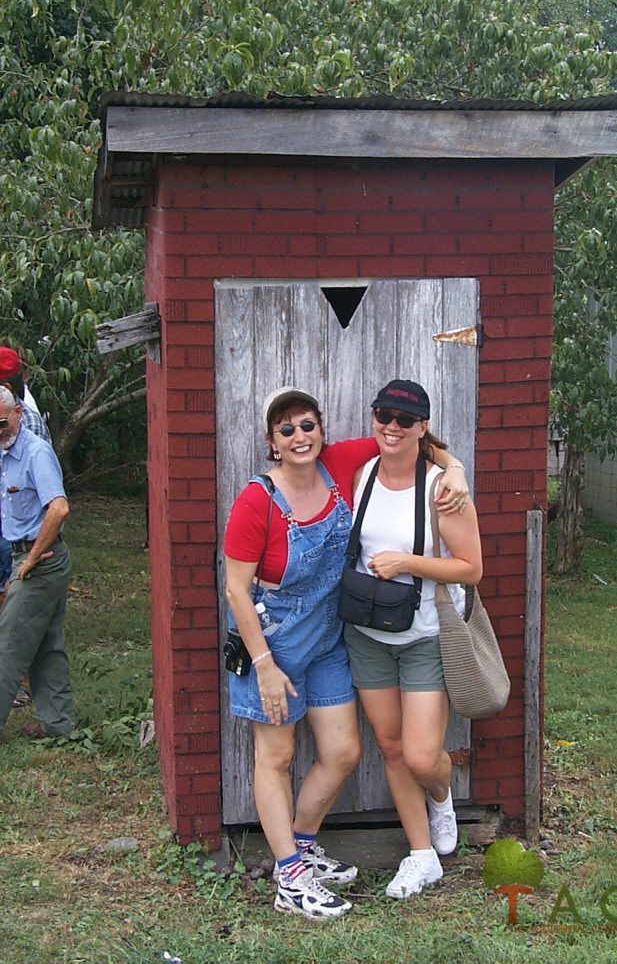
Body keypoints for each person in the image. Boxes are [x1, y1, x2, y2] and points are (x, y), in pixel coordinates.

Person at [223, 387, 469, 921]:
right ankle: (289, 877)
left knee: (341, 754)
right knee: (277, 757)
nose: (299, 437)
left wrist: (457, 469)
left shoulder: (340, 462)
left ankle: (304, 846)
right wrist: (263, 666)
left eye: (307, 425)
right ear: (271, 442)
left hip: (331, 638)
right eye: (286, 430)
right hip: (274, 643)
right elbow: (236, 591)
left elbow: (413, 441)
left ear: (321, 430)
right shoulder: (256, 500)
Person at [343, 379, 483, 900]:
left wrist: (406, 563)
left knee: (423, 758)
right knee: (391, 746)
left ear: (423, 428)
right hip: (366, 634)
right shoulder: (361, 476)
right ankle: (422, 855)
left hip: (423, 635)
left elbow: (471, 569)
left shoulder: (444, 489)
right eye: (384, 414)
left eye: (405, 420)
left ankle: (441, 796)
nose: (392, 426)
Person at [0, 388, 73, 739]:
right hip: (25, 555)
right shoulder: (5, 452)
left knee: (8, 644)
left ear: (17, 413)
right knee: (46, 645)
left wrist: (29, 559)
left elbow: (59, 509)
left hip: (41, 559)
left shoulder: (35, 452)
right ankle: (58, 725)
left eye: (2, 421)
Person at [0, 345, 51, 710]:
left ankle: (13, 686)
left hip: (18, 532)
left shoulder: (26, 423)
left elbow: (52, 501)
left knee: (13, 611)